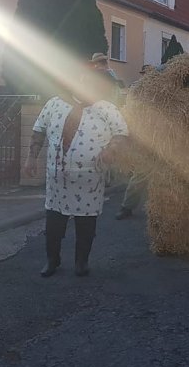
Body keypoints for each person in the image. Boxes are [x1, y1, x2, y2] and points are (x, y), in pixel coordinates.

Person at [23, 68, 129, 277]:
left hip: (89, 180)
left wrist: (110, 150)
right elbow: (39, 130)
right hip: (57, 179)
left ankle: (82, 261)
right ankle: (52, 260)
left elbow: (122, 134)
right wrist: (30, 158)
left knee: (86, 224)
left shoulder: (107, 109)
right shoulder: (55, 104)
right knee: (53, 223)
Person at [115, 65, 155, 220]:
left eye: (149, 74)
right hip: (144, 139)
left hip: (163, 140)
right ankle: (127, 207)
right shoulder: (136, 90)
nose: (146, 77)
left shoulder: (161, 92)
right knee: (140, 175)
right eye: (144, 74)